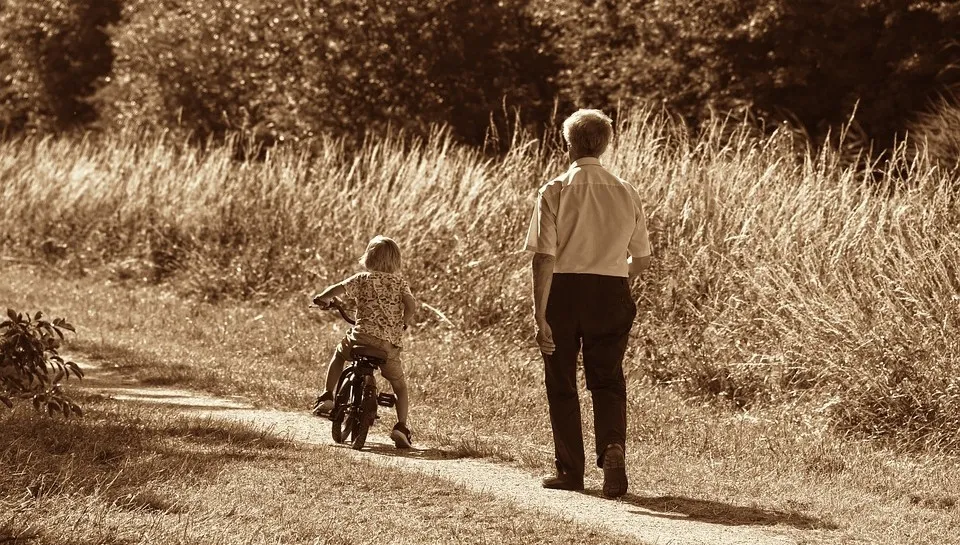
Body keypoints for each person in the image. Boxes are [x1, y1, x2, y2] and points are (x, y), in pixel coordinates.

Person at [524, 109, 651, 498]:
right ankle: (612, 447)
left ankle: (570, 471)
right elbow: (642, 259)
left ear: (568, 143)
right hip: (611, 290)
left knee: (561, 379)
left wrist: (539, 313)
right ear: (607, 143)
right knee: (608, 377)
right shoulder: (626, 190)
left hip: (563, 290)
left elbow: (544, 257)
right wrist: (612, 273)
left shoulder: (555, 189)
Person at [311, 235, 419, 448]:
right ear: (396, 261)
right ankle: (401, 427)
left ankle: (327, 396)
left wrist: (322, 298)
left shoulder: (362, 279)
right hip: (387, 346)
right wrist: (404, 320)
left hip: (360, 339)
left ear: (368, 258)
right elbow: (411, 304)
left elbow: (336, 289)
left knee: (339, 355)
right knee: (399, 386)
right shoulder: (399, 283)